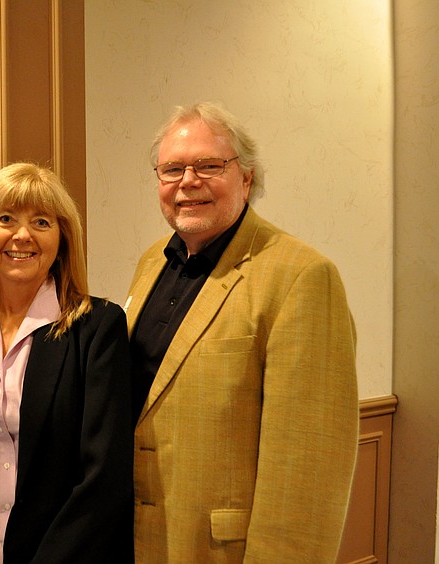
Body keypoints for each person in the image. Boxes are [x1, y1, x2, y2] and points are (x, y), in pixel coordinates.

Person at [125, 102, 359, 563]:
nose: (188, 181)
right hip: (139, 540)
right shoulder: (152, 262)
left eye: (209, 165)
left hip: (219, 552)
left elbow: (306, 478)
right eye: (172, 169)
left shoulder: (302, 276)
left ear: (247, 178)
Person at [0, 163, 133, 563]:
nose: (22, 235)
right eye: (5, 219)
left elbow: (104, 477)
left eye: (41, 221)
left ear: (63, 237)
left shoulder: (98, 329)